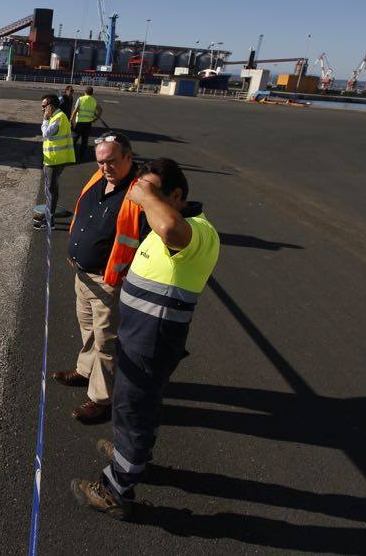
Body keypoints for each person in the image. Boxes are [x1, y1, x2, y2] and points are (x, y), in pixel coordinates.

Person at [71, 158, 220, 520]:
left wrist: (146, 195)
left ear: (177, 195)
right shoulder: (160, 218)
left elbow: (170, 227)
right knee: (138, 404)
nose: (139, 199)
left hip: (153, 338)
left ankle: (117, 488)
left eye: (150, 192)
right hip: (140, 334)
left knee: (132, 408)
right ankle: (133, 455)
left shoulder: (197, 230)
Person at [51, 132, 145, 424]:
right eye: (101, 161)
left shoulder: (138, 192)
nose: (105, 167)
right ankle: (85, 370)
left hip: (109, 281)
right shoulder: (99, 180)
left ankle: (101, 399)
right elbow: (84, 215)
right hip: (83, 274)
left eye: (112, 161)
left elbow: (145, 241)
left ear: (129, 157)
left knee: (106, 342)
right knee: (88, 328)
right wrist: (76, 249)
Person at [35, 94, 75, 229]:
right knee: (51, 189)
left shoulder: (57, 119)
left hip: (55, 160)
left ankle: (49, 221)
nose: (42, 110)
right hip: (54, 158)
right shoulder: (59, 117)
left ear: (50, 106)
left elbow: (46, 133)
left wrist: (45, 120)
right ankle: (48, 216)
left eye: (43, 107)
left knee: (51, 190)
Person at [70, 86, 101, 161]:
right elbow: (100, 111)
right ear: (92, 93)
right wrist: (95, 119)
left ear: (85, 92)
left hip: (80, 122)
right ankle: (82, 156)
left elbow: (75, 110)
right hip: (88, 123)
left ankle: (70, 154)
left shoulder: (81, 99)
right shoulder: (94, 100)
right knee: (84, 140)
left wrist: (71, 120)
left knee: (74, 139)